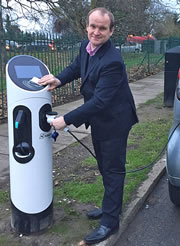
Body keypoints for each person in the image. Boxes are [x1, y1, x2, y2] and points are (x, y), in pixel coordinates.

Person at [39, 7, 138, 244]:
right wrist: (59, 79)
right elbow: (76, 67)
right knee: (104, 165)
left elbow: (101, 101)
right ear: (87, 26)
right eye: (93, 26)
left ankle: (110, 223)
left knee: (113, 170)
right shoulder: (86, 47)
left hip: (115, 121)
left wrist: (65, 119)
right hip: (100, 120)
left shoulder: (112, 60)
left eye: (102, 28)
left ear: (111, 31)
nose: (96, 32)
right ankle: (109, 208)